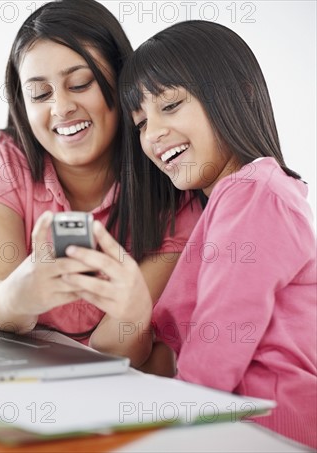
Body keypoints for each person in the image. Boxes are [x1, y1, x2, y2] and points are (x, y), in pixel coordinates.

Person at [66, 20, 316, 447]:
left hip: (265, 428)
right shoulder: (228, 202)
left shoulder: (254, 194)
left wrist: (171, 434)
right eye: (141, 122)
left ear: (239, 92)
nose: (154, 134)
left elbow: (215, 348)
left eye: (171, 105)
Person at [0, 0, 200, 369]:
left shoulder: (172, 190)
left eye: (80, 83)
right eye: (40, 94)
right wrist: (18, 297)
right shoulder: (1, 160)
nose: (61, 107)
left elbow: (118, 356)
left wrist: (132, 311)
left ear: (121, 82)